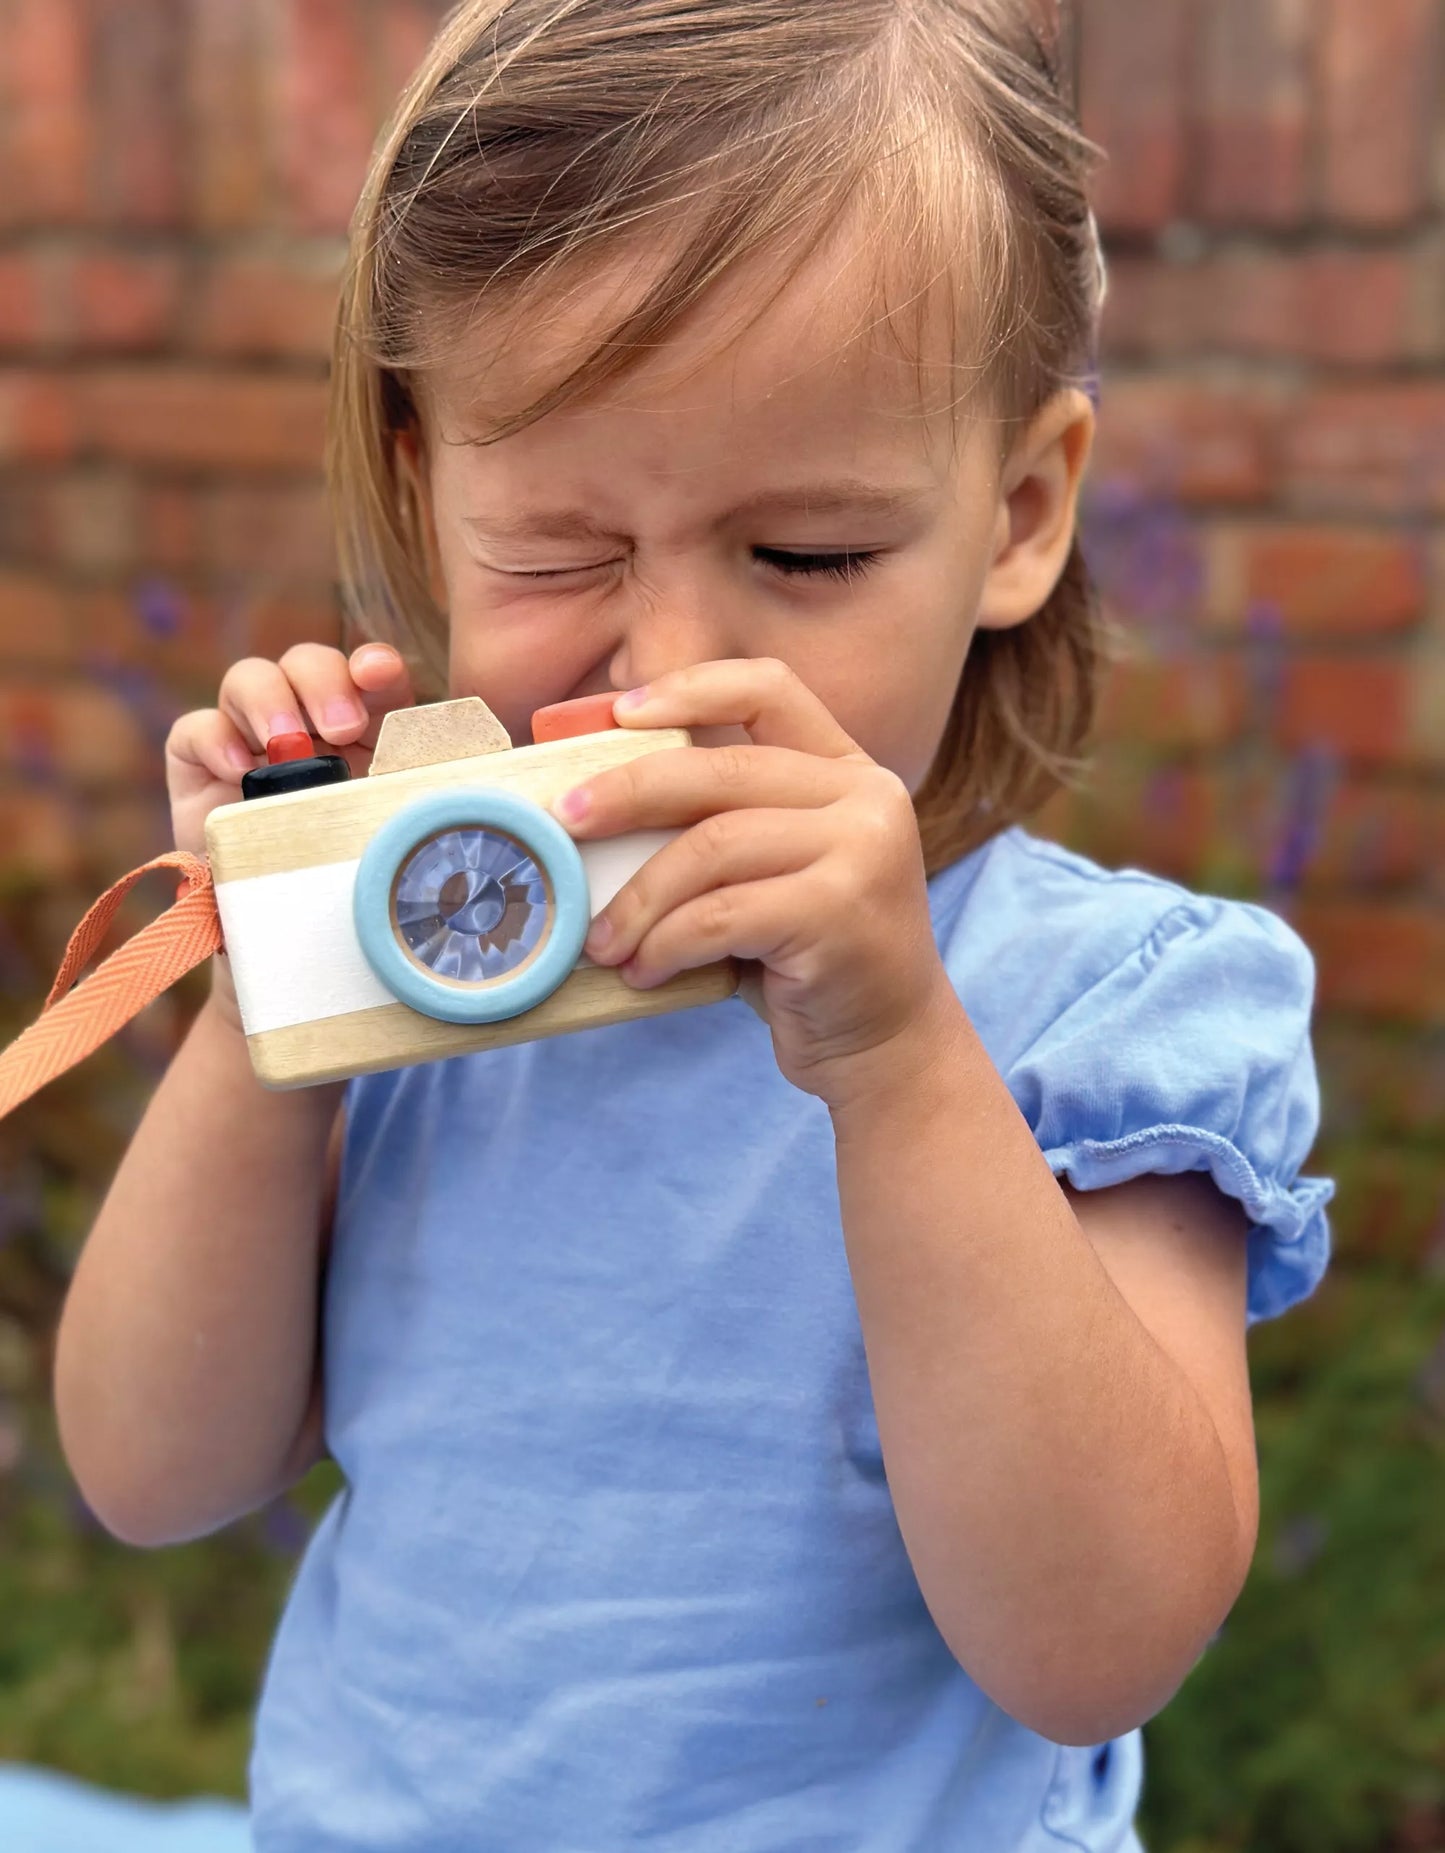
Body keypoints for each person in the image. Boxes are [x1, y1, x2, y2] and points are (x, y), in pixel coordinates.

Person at [52, 3, 1334, 1847]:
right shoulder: (430, 958)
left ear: (1020, 512)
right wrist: (281, 992)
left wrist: (896, 1061)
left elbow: (1096, 1645)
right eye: (560, 552)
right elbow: (151, 1469)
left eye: (804, 555)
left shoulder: (1102, 1008)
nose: (671, 661)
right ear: (428, 490)